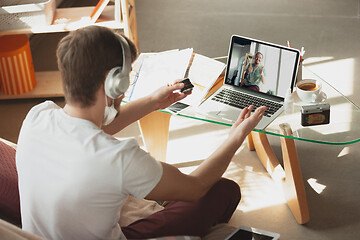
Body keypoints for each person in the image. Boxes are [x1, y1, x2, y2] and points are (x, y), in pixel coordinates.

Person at [16, 26, 267, 240]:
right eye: (127, 78)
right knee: (224, 190)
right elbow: (196, 187)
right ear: (113, 81)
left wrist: (154, 101)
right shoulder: (118, 158)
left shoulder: (38, 116)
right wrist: (237, 136)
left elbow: (93, 129)